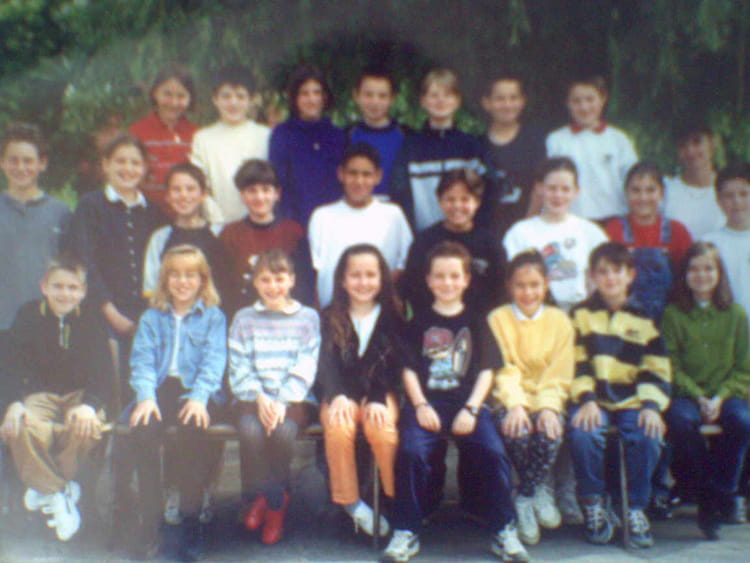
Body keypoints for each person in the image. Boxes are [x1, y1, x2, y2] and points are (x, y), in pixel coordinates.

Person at [382, 241, 526, 563]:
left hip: (467, 406)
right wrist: (420, 405)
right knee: (411, 452)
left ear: (466, 280)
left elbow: (487, 370)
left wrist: (472, 409)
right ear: (429, 280)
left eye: (454, 276)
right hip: (427, 404)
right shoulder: (418, 321)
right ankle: (406, 530)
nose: (447, 283)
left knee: (493, 451)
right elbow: (408, 369)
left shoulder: (477, 320)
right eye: (440, 276)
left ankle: (504, 528)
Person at [0, 256, 112, 542]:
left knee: (87, 427)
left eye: (72, 288)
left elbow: (103, 373)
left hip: (80, 398)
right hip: (39, 396)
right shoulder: (28, 315)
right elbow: (11, 364)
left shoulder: (92, 319)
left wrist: (90, 405)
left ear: (83, 292)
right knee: (19, 426)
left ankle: (47, 489)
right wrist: (13, 402)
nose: (65, 294)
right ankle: (61, 492)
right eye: (58, 286)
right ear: (44, 287)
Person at [568, 242, 671, 549]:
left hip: (633, 399)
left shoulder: (646, 316)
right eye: (602, 272)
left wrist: (651, 405)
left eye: (617, 271)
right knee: (584, 433)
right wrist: (586, 398)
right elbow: (577, 364)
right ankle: (593, 502)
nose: (610, 278)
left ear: (630, 275)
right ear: (592, 277)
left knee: (649, 434)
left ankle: (635, 507)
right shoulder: (580, 314)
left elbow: (655, 367)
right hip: (594, 398)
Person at [128, 245, 227, 561]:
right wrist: (146, 397)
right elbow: (142, 361)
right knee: (143, 430)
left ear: (202, 280)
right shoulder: (151, 317)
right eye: (175, 275)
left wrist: (199, 398)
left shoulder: (213, 317)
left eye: (190, 275)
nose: (182, 282)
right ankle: (150, 523)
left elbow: (214, 362)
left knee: (192, 431)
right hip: (160, 389)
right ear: (165, 279)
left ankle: (190, 523)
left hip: (198, 390)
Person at [228, 249, 320, 546]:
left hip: (293, 399)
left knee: (283, 432)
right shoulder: (244, 318)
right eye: (265, 280)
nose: (272, 286)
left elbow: (306, 364)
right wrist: (260, 397)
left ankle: (271, 504)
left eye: (279, 279)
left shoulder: (307, 318)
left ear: (292, 280)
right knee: (250, 430)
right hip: (252, 396)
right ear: (254, 282)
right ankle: (272, 496)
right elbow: (239, 365)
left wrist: (281, 401)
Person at [64, 132, 165, 392]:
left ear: (144, 168)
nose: (127, 168)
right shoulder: (90, 206)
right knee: (109, 385)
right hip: (101, 312)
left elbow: (162, 265)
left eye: (135, 162)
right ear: (106, 165)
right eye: (120, 161)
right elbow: (83, 260)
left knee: (144, 385)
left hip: (146, 314)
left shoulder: (154, 212)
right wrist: (111, 312)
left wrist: (149, 313)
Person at [662, 242, 750, 540]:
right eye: (694, 269)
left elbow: (744, 368)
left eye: (708, 268)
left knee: (742, 422)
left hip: (726, 394)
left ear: (719, 273)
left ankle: (722, 490)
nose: (701, 275)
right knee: (679, 421)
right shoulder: (674, 314)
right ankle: (705, 493)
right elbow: (671, 366)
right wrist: (699, 396)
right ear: (685, 274)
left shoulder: (736, 314)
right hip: (688, 394)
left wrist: (719, 397)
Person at [488, 250, 574, 546]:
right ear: (509, 286)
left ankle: (526, 494)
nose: (528, 293)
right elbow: (503, 369)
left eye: (535, 285)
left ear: (546, 284)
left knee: (550, 433)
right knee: (518, 431)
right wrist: (516, 405)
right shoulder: (498, 319)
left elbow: (559, 372)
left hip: (547, 396)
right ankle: (533, 490)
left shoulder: (559, 321)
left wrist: (549, 407)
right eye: (520, 286)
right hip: (510, 398)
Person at [317, 244, 404, 538]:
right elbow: (326, 363)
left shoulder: (394, 315)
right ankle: (350, 501)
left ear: (382, 278)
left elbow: (395, 364)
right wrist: (338, 394)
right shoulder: (330, 316)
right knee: (338, 427)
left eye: (370, 275)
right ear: (342, 280)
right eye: (355, 275)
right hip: (340, 394)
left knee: (382, 429)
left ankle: (396, 498)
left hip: (380, 393)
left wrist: (377, 398)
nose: (363, 282)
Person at [308, 143, 412, 307]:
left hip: (380, 310)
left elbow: (404, 263)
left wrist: (377, 291)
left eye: (366, 174)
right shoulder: (322, 216)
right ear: (341, 174)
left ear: (378, 176)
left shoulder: (393, 215)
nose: (359, 181)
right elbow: (313, 270)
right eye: (352, 173)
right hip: (333, 311)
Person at [503, 157, 608, 312]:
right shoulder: (520, 232)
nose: (558, 195)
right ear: (539, 188)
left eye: (565, 189)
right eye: (552, 188)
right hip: (536, 313)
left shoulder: (591, 232)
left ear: (576, 191)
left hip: (581, 313)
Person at [0, 123, 71, 338]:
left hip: (46, 325)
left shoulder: (61, 213)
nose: (21, 167)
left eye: (28, 161)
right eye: (13, 160)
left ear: (42, 163)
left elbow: (70, 272)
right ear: (2, 162)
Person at [401, 167, 504, 314]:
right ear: (440, 201)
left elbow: (499, 291)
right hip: (433, 321)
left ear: (477, 202)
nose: (457, 206)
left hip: (479, 321)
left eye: (465, 199)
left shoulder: (491, 245)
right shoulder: (424, 242)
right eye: (450, 199)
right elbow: (413, 288)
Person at [391, 68, 483, 231]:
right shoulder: (411, 145)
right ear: (423, 101)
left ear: (457, 100)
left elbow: (482, 192)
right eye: (434, 95)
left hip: (464, 233)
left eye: (447, 95)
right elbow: (400, 193)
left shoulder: (470, 146)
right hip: (423, 235)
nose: (441, 100)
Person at [219, 159, 313, 313]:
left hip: (287, 318)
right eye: (252, 191)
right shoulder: (230, 235)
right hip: (245, 318)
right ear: (242, 195)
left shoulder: (293, 232)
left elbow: (305, 284)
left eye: (266, 190)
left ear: (277, 194)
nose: (259, 197)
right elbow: (224, 286)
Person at [604, 162, 692, 321]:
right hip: (625, 318)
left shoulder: (678, 231)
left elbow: (688, 282)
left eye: (650, 190)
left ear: (662, 193)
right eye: (636, 190)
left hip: (669, 318)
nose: (643, 198)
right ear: (626, 193)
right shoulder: (613, 230)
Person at [546, 76, 638, 220]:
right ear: (568, 103)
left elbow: (633, 180)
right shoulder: (556, 140)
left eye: (590, 99)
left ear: (603, 99)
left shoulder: (619, 139)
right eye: (576, 101)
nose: (584, 107)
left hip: (613, 218)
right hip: (571, 219)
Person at [191, 64, 271, 225]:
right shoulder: (203, 138)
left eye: (240, 96)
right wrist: (217, 222)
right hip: (218, 224)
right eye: (226, 96)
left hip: (260, 223)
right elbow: (200, 185)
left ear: (251, 100)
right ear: (215, 99)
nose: (233, 103)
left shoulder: (265, 135)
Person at [270, 64, 346, 226]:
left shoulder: (337, 136)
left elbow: (343, 184)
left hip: (333, 222)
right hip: (294, 222)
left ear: (324, 97)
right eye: (304, 93)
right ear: (295, 98)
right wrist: (288, 224)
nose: (312, 99)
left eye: (317, 93)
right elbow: (278, 182)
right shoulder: (282, 134)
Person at [142, 162, 230, 303]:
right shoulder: (160, 238)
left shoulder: (219, 234)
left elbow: (227, 286)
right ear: (168, 196)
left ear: (203, 194)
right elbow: (151, 288)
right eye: (176, 190)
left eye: (190, 189)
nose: (183, 195)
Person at [479, 74, 547, 236]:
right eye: (500, 99)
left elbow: (540, 188)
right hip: (486, 231)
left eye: (513, 98)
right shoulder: (477, 144)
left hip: (526, 228)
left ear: (522, 101)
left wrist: (527, 228)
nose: (507, 105)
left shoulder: (536, 141)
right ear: (486, 103)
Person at [129, 65, 198, 209]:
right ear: (155, 93)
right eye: (167, 94)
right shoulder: (137, 132)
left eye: (181, 96)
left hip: (185, 213)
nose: (174, 102)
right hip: (145, 213)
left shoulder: (197, 135)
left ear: (190, 98)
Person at [347, 67, 407, 198]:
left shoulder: (407, 136)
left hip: (396, 207)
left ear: (392, 98)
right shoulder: (346, 135)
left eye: (382, 96)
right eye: (368, 95)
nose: (375, 102)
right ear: (356, 96)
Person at [664, 120, 725, 239]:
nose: (690, 151)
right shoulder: (666, 191)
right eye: (683, 145)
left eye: (697, 142)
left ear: (712, 143)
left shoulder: (732, 191)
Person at [704, 163, 750, 317]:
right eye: (729, 196)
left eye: (744, 194)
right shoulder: (709, 244)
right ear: (719, 200)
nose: (737, 201)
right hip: (727, 327)